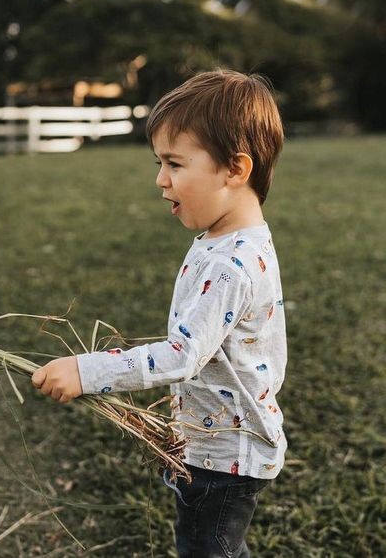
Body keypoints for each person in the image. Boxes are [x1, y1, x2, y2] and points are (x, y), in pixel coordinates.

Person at [31, 69, 287, 558]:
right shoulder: (231, 240)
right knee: (216, 546)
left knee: (207, 548)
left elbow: (181, 356)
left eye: (174, 163)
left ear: (235, 170)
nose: (160, 179)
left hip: (225, 458)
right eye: (159, 162)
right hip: (213, 446)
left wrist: (87, 371)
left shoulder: (231, 263)